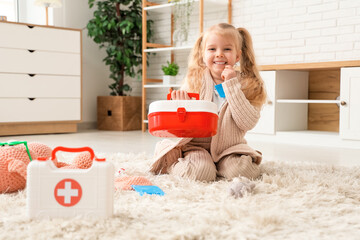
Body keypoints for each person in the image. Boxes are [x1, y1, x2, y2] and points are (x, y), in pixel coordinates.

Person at [150, 23, 267, 181]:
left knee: (243, 172)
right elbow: (179, 128)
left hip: (230, 149)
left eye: (227, 49)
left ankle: (221, 166)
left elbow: (247, 123)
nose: (219, 54)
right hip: (196, 147)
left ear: (237, 56)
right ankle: (172, 159)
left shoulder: (247, 84)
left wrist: (232, 86)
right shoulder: (194, 81)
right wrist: (182, 107)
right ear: (204, 55)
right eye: (212, 49)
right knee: (199, 174)